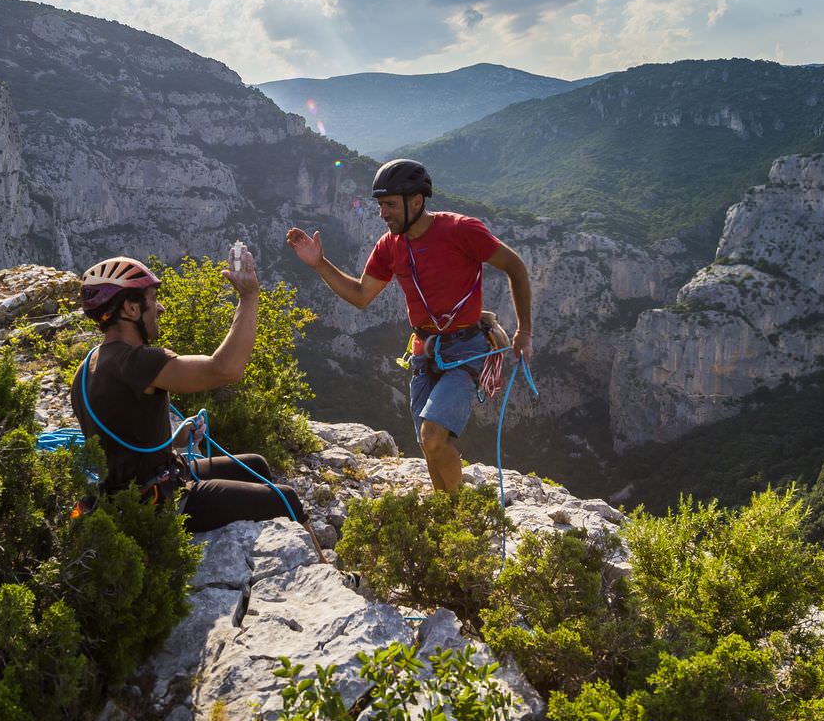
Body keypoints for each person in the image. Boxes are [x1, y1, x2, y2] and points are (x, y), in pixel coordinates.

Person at [286, 159, 533, 493]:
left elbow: (515, 266)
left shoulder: (462, 230)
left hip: (466, 348)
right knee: (426, 441)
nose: (382, 213)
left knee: (433, 436)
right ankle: (448, 512)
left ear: (416, 201)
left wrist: (524, 331)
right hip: (425, 352)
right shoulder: (390, 247)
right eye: (379, 205)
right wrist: (319, 264)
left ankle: (459, 509)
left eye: (389, 205)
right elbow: (360, 295)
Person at [71, 253, 308, 532]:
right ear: (131, 309)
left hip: (132, 488)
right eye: (152, 299)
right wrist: (249, 297)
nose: (160, 308)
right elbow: (226, 369)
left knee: (255, 465)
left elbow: (123, 440)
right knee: (287, 498)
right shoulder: (138, 361)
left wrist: (178, 437)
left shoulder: (87, 367)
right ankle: (325, 570)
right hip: (158, 501)